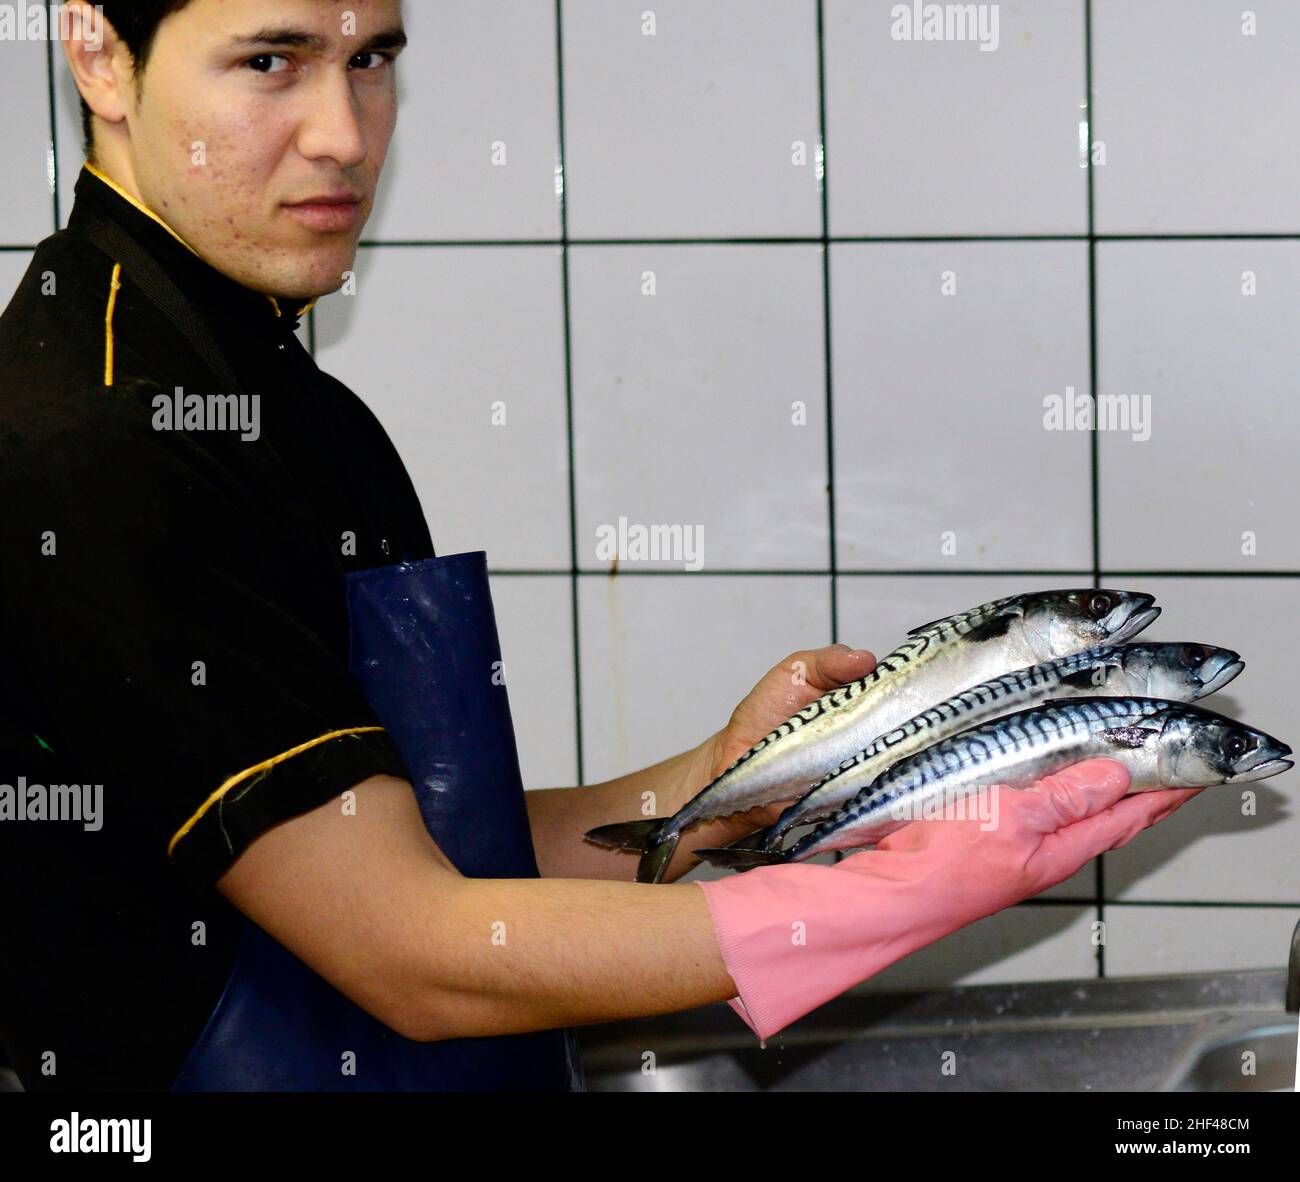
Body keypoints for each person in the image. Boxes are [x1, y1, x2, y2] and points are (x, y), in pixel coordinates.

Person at [0, 0, 1202, 1092]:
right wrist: (873, 901)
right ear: (98, 52)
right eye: (272, 62)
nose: (344, 134)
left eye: (370, 61)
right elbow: (415, 954)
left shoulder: (276, 394)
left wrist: (710, 791)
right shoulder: (103, 435)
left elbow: (406, 850)